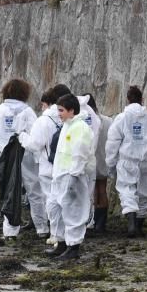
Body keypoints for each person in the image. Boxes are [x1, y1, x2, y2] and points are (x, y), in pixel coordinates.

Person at [0, 79, 43, 245]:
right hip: (26, 155)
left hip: (7, 157)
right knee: (34, 191)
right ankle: (41, 227)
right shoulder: (28, 112)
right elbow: (35, 135)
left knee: (9, 193)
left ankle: (10, 231)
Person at [105, 86, 147, 238]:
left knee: (126, 190)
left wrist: (110, 164)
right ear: (141, 99)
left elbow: (112, 143)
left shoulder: (121, 118)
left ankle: (131, 225)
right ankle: (139, 227)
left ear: (128, 99)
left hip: (127, 161)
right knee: (144, 193)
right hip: (145, 161)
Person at [19, 84, 71, 244]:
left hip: (48, 167)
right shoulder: (69, 117)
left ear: (47, 103)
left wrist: (22, 137)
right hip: (67, 166)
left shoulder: (43, 120)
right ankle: (69, 233)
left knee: (52, 201)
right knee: (66, 200)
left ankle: (55, 234)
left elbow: (35, 144)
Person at [47, 94, 96, 260]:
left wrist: (74, 175)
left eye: (61, 110)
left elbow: (80, 153)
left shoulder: (80, 127)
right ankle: (60, 242)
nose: (58, 113)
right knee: (55, 209)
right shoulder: (67, 126)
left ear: (71, 110)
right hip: (60, 175)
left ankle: (73, 246)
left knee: (72, 211)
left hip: (71, 176)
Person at [83, 93, 113, 235]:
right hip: (104, 159)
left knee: (92, 191)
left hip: (90, 161)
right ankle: (101, 222)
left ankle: (92, 221)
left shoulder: (84, 120)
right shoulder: (108, 121)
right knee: (102, 189)